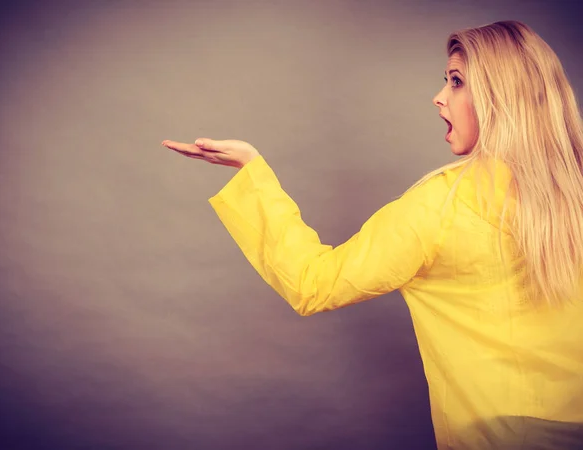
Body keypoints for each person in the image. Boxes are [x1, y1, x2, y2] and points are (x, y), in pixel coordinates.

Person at [161, 20, 583, 450]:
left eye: (456, 81)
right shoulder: (575, 195)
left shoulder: (440, 205)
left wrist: (251, 171)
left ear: (501, 97)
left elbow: (313, 285)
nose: (439, 96)